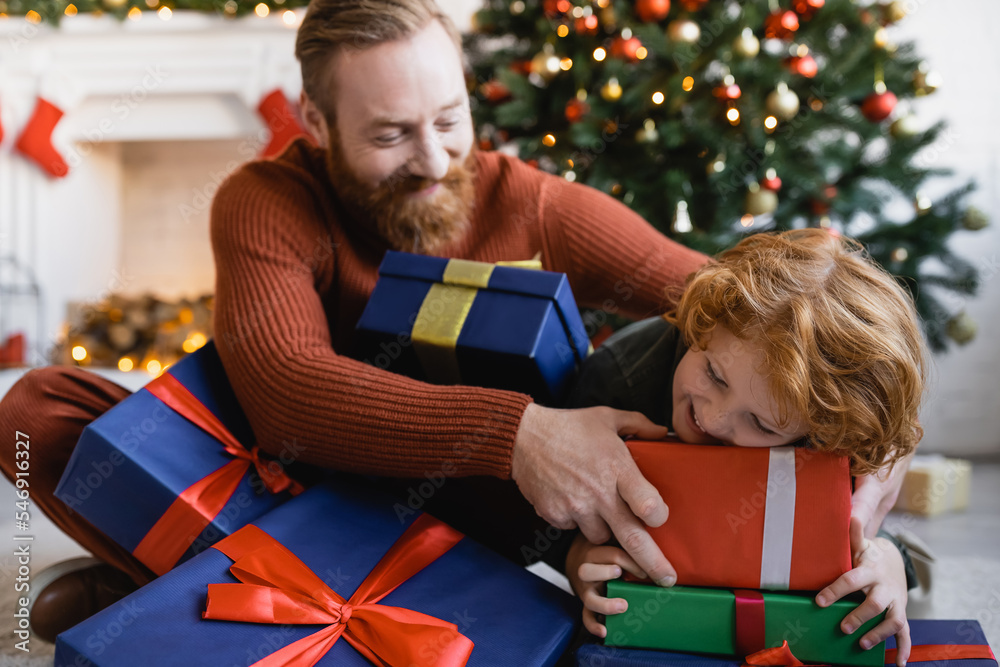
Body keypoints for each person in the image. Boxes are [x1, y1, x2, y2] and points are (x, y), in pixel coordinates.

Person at [0, 0, 910, 642]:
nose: (434, 158)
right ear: (316, 120)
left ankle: (177, 590)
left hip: (464, 508)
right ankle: (220, 591)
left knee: (721, 361)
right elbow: (285, 394)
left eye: (451, 118)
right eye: (391, 133)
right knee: (36, 412)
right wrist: (521, 431)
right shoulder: (267, 200)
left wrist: (869, 494)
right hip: (291, 472)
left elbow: (765, 317)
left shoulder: (536, 202)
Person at [563, 229, 926, 666]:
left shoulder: (825, 429)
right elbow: (561, 518)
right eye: (714, 374)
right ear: (702, 326)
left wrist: (887, 563)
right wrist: (577, 558)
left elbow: (848, 543)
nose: (713, 419)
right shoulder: (618, 380)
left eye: (760, 422)